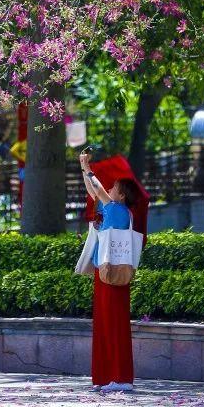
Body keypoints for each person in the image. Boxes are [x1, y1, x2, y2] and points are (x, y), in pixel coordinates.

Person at [79, 151, 140, 394]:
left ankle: (120, 376)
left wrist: (87, 166)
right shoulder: (117, 211)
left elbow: (98, 191)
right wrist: (85, 170)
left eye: (114, 187)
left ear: (121, 194)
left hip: (111, 273)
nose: (110, 189)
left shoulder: (116, 209)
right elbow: (94, 192)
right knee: (106, 324)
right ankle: (108, 375)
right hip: (106, 271)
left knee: (113, 324)